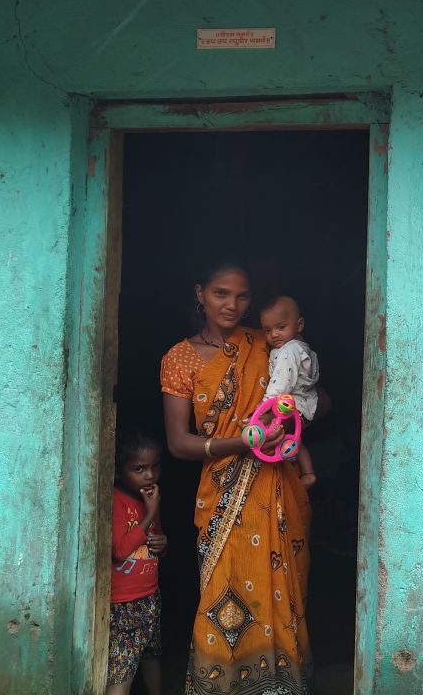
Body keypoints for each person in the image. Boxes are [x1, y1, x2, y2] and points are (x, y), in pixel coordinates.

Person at [160, 260, 325, 695]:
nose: (232, 304)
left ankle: (280, 685)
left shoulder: (269, 342)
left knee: (281, 592)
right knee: (224, 593)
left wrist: (288, 424)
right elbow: (178, 442)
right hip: (221, 495)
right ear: (200, 293)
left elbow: (317, 399)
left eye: (242, 295)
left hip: (278, 489)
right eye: (221, 293)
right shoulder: (179, 359)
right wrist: (247, 442)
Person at [108, 431, 167, 695]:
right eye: (139, 469)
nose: (150, 475)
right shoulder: (116, 500)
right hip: (123, 603)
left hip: (150, 597)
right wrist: (151, 512)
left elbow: (157, 546)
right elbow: (120, 550)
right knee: (122, 670)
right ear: (118, 471)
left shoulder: (149, 500)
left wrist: (163, 545)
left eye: (155, 466)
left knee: (151, 655)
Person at [259, 295, 319, 487]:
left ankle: (290, 469)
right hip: (305, 404)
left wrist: (264, 407)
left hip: (292, 405)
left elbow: (281, 382)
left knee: (272, 431)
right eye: (267, 330)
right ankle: (308, 473)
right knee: (294, 437)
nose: (274, 334)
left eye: (281, 327)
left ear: (299, 325)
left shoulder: (289, 351)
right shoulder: (302, 347)